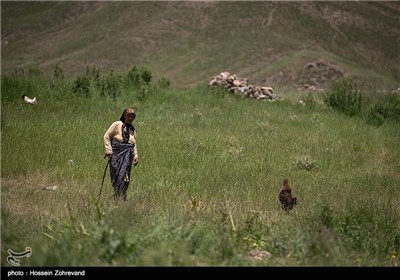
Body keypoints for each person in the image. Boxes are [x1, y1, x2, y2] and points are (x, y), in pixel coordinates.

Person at [103, 108, 139, 201]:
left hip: (128, 156)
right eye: (128, 116)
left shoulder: (132, 129)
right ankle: (118, 194)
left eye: (132, 116)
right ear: (124, 115)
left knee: (125, 176)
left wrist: (135, 155)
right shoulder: (117, 124)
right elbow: (107, 136)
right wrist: (109, 151)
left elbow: (133, 143)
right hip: (117, 155)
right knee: (117, 174)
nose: (130, 118)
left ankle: (122, 196)